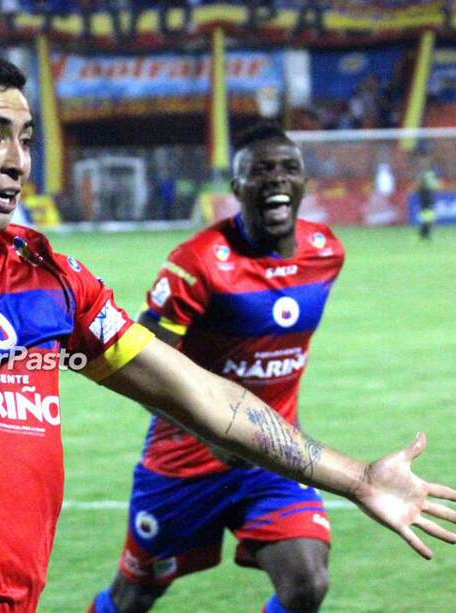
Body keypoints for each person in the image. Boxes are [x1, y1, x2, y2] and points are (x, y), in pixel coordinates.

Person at [0, 47, 456, 613]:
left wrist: (356, 477)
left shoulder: (49, 278)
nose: (18, 162)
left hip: (11, 590)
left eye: (24, 139)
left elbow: (202, 396)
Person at [88, 122, 352, 613]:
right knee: (133, 596)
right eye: (261, 170)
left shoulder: (326, 252)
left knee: (306, 584)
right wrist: (208, 430)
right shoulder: (198, 263)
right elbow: (141, 368)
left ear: (303, 182)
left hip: (271, 456)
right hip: (184, 463)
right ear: (237, 187)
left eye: (288, 168)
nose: (276, 178)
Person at [416, 155, 440, 241]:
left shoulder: (425, 174)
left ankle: (424, 233)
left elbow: (420, 184)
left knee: (427, 215)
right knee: (428, 215)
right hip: (427, 196)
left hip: (426, 196)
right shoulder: (429, 174)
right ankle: (425, 233)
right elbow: (436, 185)